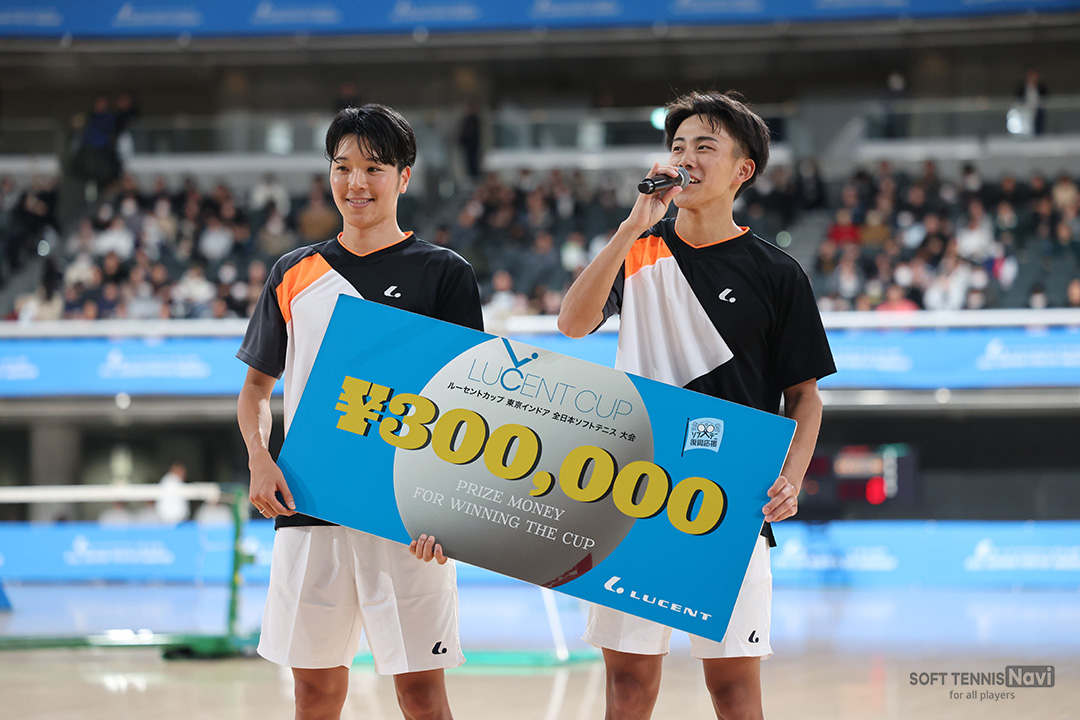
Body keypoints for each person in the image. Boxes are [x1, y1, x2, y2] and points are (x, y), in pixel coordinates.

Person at [557, 90, 835, 720]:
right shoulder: (639, 249)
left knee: (734, 693)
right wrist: (632, 226)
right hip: (633, 493)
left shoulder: (778, 273)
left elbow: (805, 397)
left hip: (731, 502)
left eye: (705, 146)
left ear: (743, 170)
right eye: (677, 146)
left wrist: (791, 478)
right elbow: (572, 323)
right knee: (627, 689)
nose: (685, 158)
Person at [236, 104, 483, 720]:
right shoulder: (293, 272)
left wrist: (449, 508)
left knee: (421, 694)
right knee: (315, 692)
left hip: (407, 515)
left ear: (404, 177)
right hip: (309, 503)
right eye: (343, 166)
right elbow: (257, 388)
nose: (356, 183)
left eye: (374, 168)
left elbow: (469, 405)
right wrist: (261, 459)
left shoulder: (444, 274)